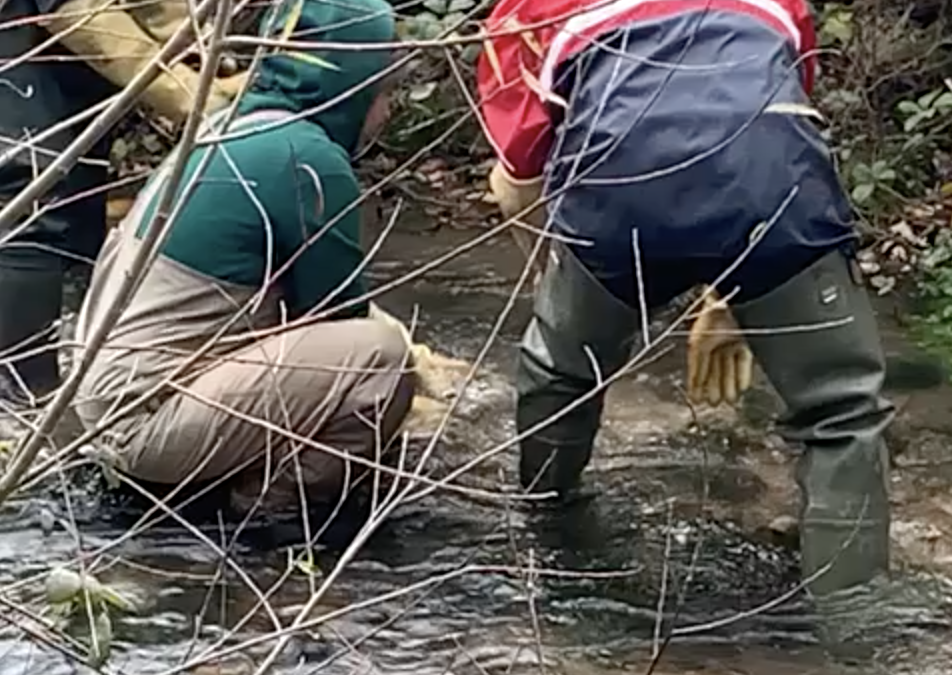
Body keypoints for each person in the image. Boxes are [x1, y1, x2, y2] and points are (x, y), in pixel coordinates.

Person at [476, 0, 895, 602]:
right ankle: (856, 633)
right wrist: (735, 295)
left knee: (559, 376)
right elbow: (767, 126)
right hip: (770, 196)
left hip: (615, 190)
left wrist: (567, 297)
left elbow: (518, 183)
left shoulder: (523, 14)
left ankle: (548, 542)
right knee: (842, 416)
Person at [73, 0, 419, 519]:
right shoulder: (304, 159)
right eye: (385, 92)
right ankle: (270, 520)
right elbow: (338, 321)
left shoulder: (230, 126)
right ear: (350, 84)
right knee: (382, 358)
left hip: (106, 410)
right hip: (144, 426)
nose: (389, 112)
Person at [0, 0, 245, 409]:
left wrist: (203, 50)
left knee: (77, 165)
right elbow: (84, 17)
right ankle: (20, 383)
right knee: (30, 186)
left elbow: (153, 6)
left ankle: (83, 316)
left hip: (49, 48)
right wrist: (195, 99)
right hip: (23, 31)